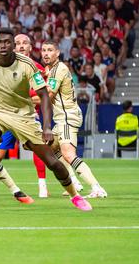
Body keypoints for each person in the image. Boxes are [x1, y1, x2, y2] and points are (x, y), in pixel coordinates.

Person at [0, 28, 93, 211]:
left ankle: (74, 196)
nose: (3, 45)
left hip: (24, 116)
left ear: (14, 46)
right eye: (0, 42)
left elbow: (45, 96)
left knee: (52, 161)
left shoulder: (27, 64)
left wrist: (47, 127)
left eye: (8, 42)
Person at [0, 33, 65, 198]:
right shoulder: (2, 65)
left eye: (24, 43)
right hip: (5, 114)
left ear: (30, 47)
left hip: (28, 115)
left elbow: (47, 95)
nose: (21, 46)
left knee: (38, 148)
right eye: (17, 43)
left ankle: (42, 187)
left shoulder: (38, 69)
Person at [41, 40, 107, 198]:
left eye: (50, 50)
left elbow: (48, 95)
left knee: (69, 154)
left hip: (67, 116)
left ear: (57, 53)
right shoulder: (50, 69)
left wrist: (24, 100)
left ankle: (96, 188)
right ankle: (74, 182)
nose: (46, 53)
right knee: (49, 147)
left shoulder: (59, 68)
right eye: (43, 50)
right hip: (62, 117)